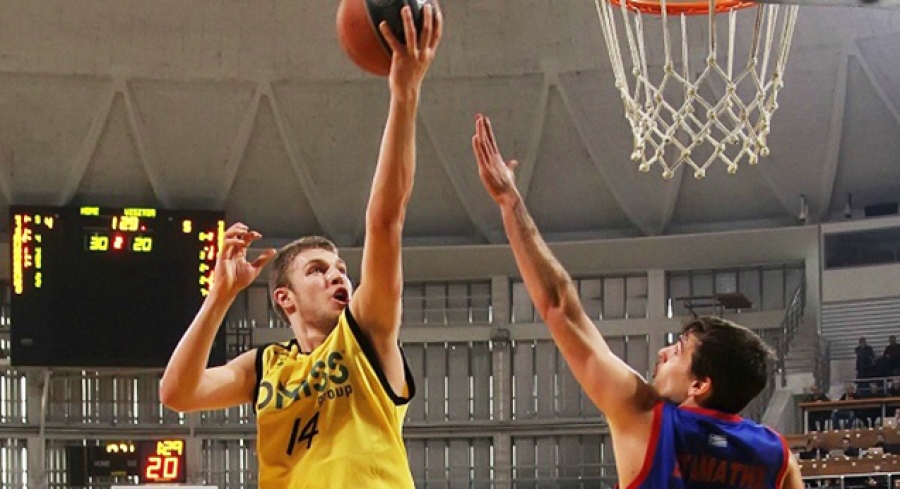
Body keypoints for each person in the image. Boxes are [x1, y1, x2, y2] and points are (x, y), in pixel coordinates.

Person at [159, 6, 442, 488]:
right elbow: (177, 394)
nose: (337, 275)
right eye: (317, 269)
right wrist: (218, 299)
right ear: (284, 297)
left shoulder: (366, 333)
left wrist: (404, 93)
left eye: (340, 269)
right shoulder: (266, 367)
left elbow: (386, 220)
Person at [470, 114, 803, 488]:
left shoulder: (648, 417)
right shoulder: (778, 457)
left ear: (699, 385)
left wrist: (509, 201)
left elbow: (559, 306)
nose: (663, 352)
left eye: (678, 351)